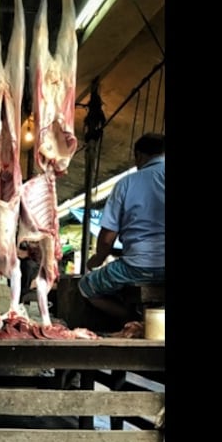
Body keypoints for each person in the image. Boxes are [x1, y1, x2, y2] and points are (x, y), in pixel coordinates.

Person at [78, 132, 165, 324]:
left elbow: (107, 238)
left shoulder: (126, 183)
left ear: (139, 156)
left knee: (86, 287)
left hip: (136, 267)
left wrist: (96, 260)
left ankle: (135, 321)